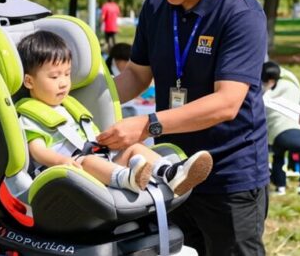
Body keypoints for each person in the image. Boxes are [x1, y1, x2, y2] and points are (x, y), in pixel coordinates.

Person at [97, 0, 269, 255]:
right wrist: (82, 101)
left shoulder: (239, 13)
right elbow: (136, 75)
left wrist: (148, 125)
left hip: (228, 175)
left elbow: (227, 103)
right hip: (170, 170)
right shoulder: (156, 7)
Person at [17, 31, 213, 196]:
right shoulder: (29, 116)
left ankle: (170, 172)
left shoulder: (69, 106)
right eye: (54, 76)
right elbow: (37, 150)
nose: (63, 82)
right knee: (87, 161)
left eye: (67, 74)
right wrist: (62, 161)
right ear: (29, 81)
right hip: (67, 172)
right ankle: (127, 178)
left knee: (133, 147)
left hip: (98, 159)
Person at [261, 62, 300, 197]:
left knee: (278, 157)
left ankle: (280, 188)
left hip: (275, 136)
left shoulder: (264, 94)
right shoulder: (290, 85)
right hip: (293, 129)